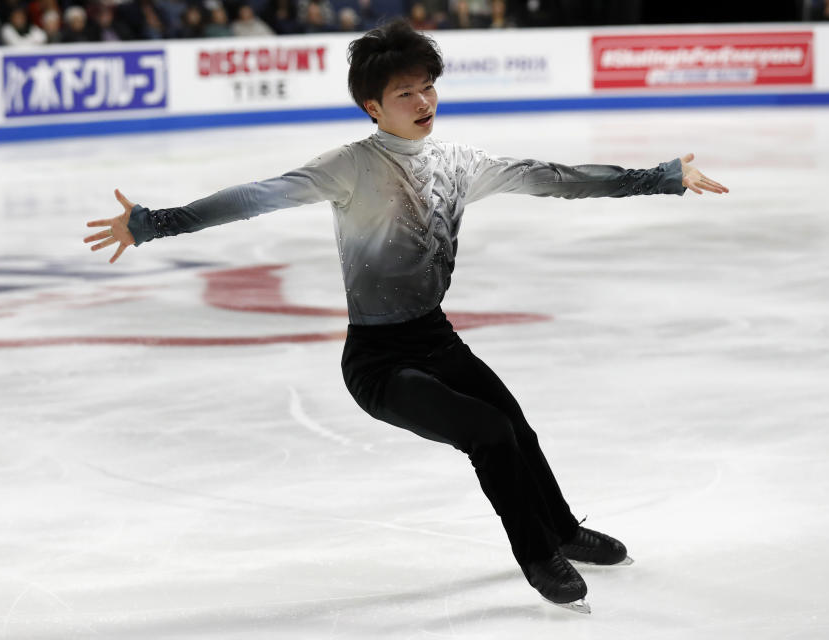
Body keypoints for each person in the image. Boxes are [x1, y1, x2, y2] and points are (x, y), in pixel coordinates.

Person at [84, 19, 728, 612]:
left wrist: (660, 177)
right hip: (378, 362)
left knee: (514, 424)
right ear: (373, 106)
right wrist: (153, 224)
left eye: (427, 88)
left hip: (436, 340)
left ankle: (562, 530)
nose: (423, 103)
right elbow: (256, 198)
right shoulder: (351, 167)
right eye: (405, 94)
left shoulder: (458, 164)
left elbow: (555, 177)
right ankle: (537, 556)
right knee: (488, 432)